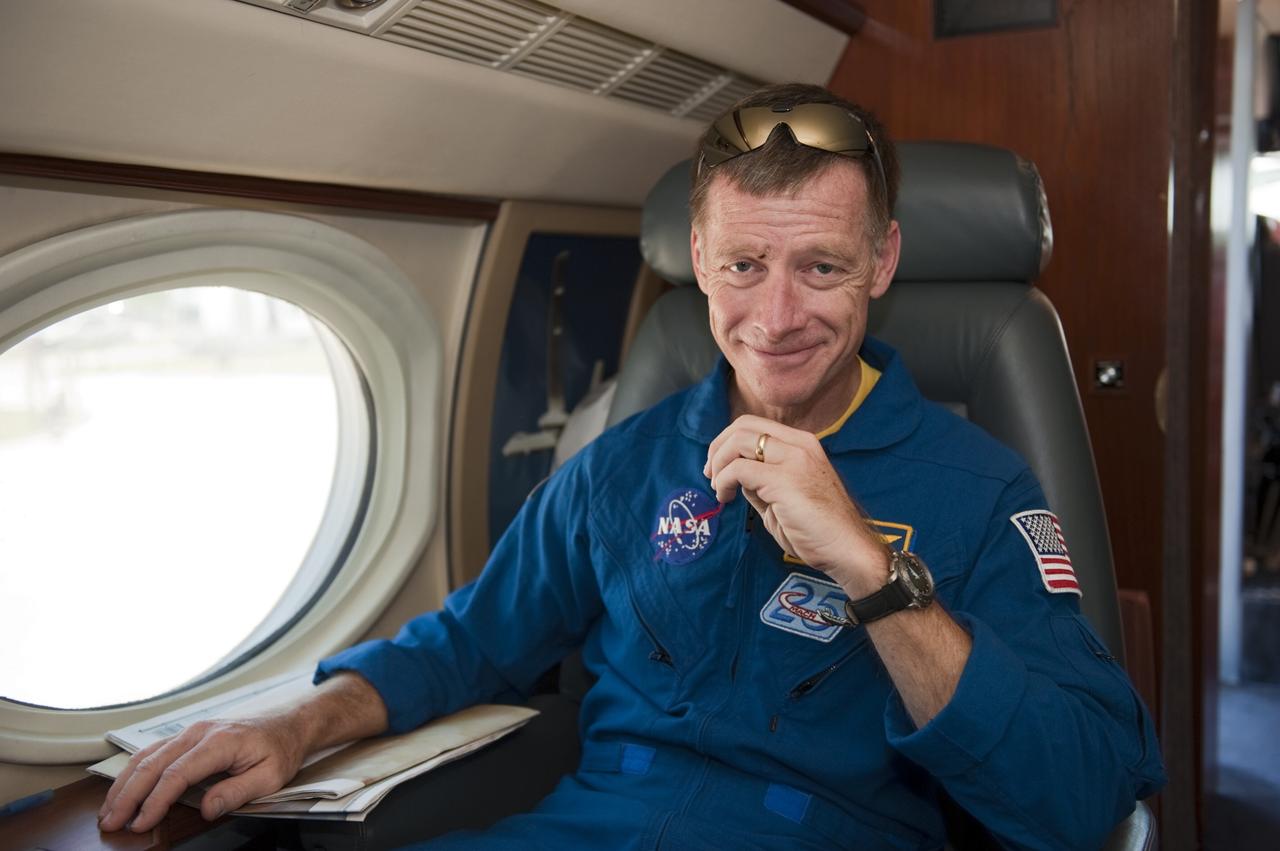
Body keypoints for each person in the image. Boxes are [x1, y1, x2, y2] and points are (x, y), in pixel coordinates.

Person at [99, 83, 1165, 849]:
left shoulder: (983, 491)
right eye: (743, 265)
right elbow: (468, 641)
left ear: (880, 262)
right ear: (697, 260)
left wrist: (867, 568)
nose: (777, 315)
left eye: (822, 267)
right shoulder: (625, 464)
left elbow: (1077, 796)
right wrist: (291, 724)